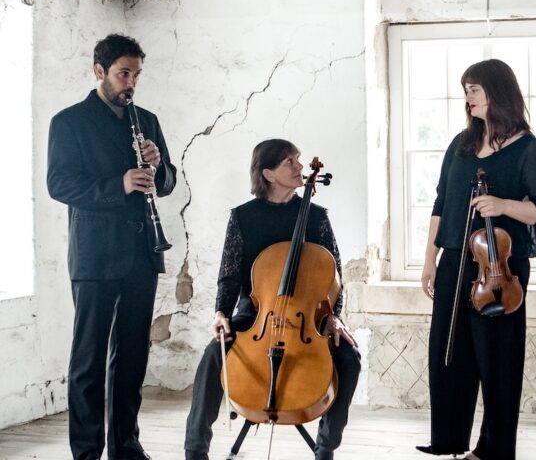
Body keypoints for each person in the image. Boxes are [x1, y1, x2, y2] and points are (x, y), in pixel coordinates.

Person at [416, 59, 536, 460]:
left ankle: (494, 449)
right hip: (455, 262)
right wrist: (430, 258)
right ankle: (448, 438)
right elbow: (441, 203)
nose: (468, 97)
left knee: (497, 358)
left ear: (498, 92)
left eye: (474, 89)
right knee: (448, 352)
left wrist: (504, 205)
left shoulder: (527, 148)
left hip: (500, 268)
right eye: (466, 90)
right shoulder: (461, 145)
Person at [184, 138, 361, 460]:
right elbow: (229, 273)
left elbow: (334, 276)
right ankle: (195, 450)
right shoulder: (242, 217)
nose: (299, 167)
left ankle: (326, 448)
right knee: (215, 353)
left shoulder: (317, 217)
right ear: (268, 173)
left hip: (310, 318)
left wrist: (333, 315)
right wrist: (221, 313)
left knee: (349, 358)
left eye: (298, 160)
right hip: (256, 315)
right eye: (290, 162)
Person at [47, 34, 177, 460]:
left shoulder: (148, 120)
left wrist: (157, 167)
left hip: (142, 253)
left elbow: (169, 182)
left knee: (132, 357)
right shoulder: (69, 122)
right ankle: (86, 452)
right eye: (124, 73)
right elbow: (60, 184)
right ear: (99, 71)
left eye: (137, 74)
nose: (131, 83)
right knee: (88, 361)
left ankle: (126, 446)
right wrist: (118, 184)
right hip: (95, 255)